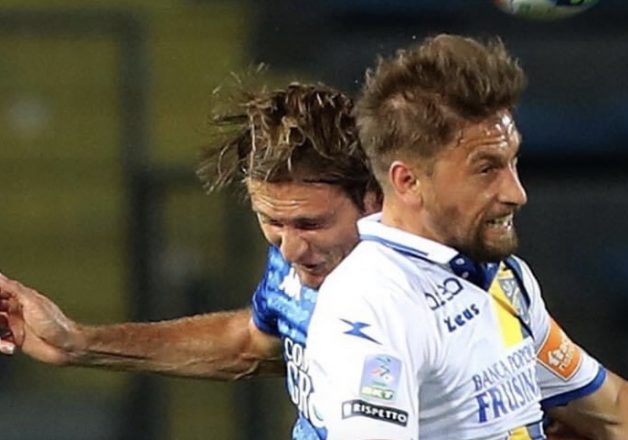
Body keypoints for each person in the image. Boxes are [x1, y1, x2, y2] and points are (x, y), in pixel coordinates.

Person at [304, 34, 628, 440]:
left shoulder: (499, 277)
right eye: (486, 168)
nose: (516, 193)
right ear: (408, 181)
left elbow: (612, 408)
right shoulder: (371, 304)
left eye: (513, 162)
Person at [0, 82, 382, 439]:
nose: (290, 249)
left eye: (311, 224)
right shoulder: (300, 262)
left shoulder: (406, 287)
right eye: (272, 222)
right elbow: (251, 345)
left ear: (373, 199)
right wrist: (77, 342)